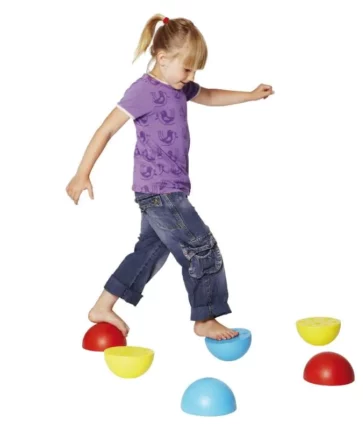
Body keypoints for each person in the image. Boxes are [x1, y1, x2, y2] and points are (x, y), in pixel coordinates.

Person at [66, 14, 274, 341]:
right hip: (161, 192)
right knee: (201, 246)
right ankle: (206, 317)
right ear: (162, 59)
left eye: (194, 71)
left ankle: (102, 307)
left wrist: (249, 95)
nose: (190, 78)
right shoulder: (143, 91)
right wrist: (82, 173)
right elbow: (106, 129)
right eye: (187, 69)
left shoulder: (179, 86)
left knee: (149, 251)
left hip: (167, 191)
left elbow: (209, 96)